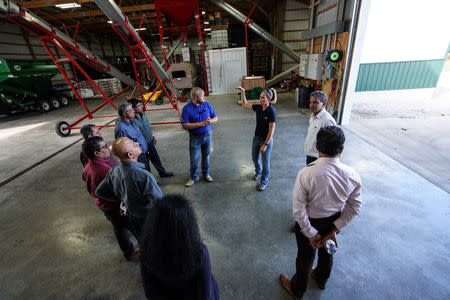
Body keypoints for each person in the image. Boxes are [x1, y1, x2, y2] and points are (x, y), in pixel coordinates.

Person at [280, 126, 362, 300]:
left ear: (317, 146)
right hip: (334, 221)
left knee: (305, 257)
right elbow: (354, 207)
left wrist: (311, 233)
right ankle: (322, 278)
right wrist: (333, 230)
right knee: (329, 250)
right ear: (341, 149)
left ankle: (297, 290)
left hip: (310, 223)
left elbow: (298, 209)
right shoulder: (352, 174)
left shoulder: (306, 174)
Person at [139, 194, 220, 300]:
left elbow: (151, 293)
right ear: (188, 225)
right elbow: (206, 293)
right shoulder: (199, 253)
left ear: (153, 224)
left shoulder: (146, 253)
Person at [82, 136, 140, 260]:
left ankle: (128, 252)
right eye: (104, 147)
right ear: (97, 153)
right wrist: (123, 205)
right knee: (136, 228)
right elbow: (119, 191)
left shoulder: (88, 167)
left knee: (119, 228)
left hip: (103, 206)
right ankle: (148, 251)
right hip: (115, 207)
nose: (108, 148)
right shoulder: (106, 170)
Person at [95, 137, 163, 237]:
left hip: (131, 215)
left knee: (142, 238)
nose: (136, 143)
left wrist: (123, 198)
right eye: (132, 144)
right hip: (147, 217)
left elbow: (100, 192)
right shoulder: (143, 176)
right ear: (130, 154)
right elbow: (160, 202)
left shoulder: (113, 171)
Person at [236, 86, 277, 191]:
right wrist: (243, 92)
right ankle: (258, 171)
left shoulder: (271, 111)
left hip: (265, 140)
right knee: (254, 158)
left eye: (263, 97)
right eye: (260, 97)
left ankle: (264, 182)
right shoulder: (259, 107)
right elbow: (245, 104)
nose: (261, 99)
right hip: (256, 138)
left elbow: (271, 130)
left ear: (269, 99)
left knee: (265, 163)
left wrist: (266, 144)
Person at [127, 98, 174, 178]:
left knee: (155, 158)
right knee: (145, 163)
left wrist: (152, 136)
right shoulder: (131, 120)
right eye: (139, 106)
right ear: (133, 108)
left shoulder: (143, 114)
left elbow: (147, 127)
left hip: (149, 141)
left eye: (141, 105)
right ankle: (149, 179)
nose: (141, 106)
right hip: (141, 145)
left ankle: (162, 172)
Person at [181, 87, 218, 187]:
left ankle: (206, 174)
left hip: (208, 136)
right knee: (194, 159)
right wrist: (200, 124)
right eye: (202, 96)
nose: (204, 97)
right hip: (195, 137)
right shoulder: (187, 109)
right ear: (195, 97)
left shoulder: (207, 105)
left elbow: (216, 117)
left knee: (206, 156)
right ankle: (193, 177)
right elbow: (184, 125)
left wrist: (211, 121)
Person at [114, 103, 151, 172]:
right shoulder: (121, 128)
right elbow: (123, 147)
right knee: (141, 174)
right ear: (124, 114)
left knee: (147, 171)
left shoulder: (131, 122)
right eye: (130, 110)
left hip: (143, 153)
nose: (133, 111)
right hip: (136, 157)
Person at [304, 91, 336, 165]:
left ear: (324, 104)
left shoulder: (327, 121)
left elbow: (332, 144)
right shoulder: (312, 117)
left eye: (315, 102)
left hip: (319, 159)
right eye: (311, 102)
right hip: (310, 156)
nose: (311, 105)